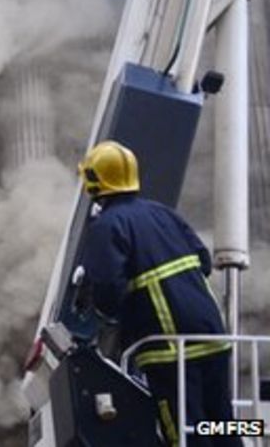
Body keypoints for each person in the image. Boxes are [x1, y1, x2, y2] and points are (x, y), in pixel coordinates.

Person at [77, 140, 238, 447]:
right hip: (213, 337)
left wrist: (105, 311)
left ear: (94, 180)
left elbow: (109, 291)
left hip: (169, 349)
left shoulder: (108, 226)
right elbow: (203, 261)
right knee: (222, 424)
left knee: (184, 432)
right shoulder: (163, 213)